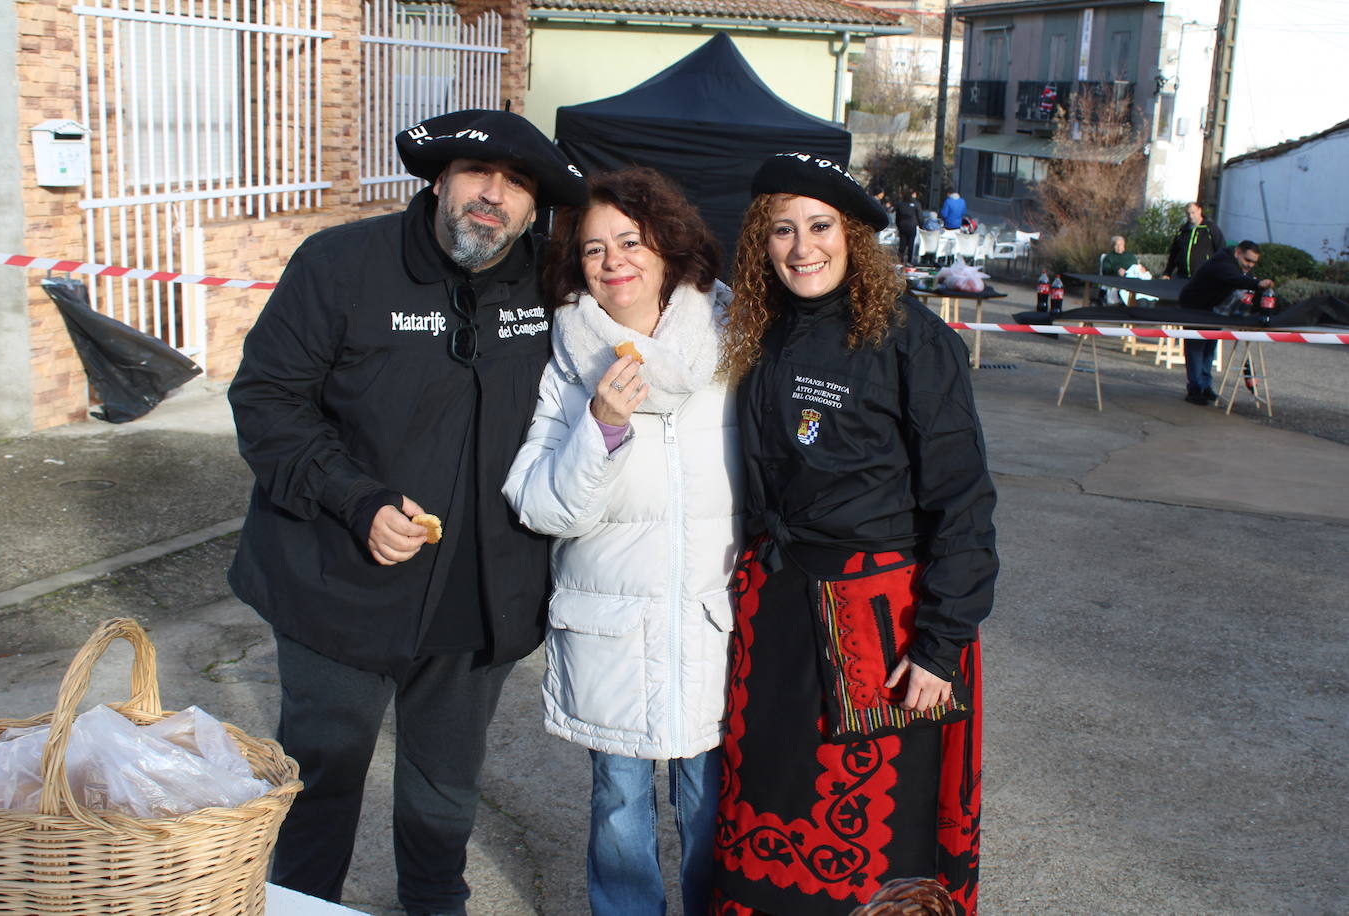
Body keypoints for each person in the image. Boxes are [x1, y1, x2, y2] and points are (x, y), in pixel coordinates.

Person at [226, 109, 587, 916]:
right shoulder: (340, 264)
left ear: (535, 206)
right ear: (440, 180)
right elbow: (267, 401)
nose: (493, 195)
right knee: (321, 777)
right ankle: (303, 906)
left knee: (445, 785)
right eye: (476, 174)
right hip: (338, 582)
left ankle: (434, 903)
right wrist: (356, 500)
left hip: (482, 591)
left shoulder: (554, 282)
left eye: (517, 184)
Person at [712, 152, 998, 915]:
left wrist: (939, 644)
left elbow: (963, 501)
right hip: (775, 619)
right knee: (768, 814)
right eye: (782, 229)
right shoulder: (759, 330)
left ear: (854, 237)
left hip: (881, 628)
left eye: (820, 226)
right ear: (761, 240)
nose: (802, 247)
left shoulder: (913, 340)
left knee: (875, 848)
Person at [502, 167, 742, 915]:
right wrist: (600, 427)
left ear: (668, 246)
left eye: (631, 241)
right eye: (593, 249)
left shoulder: (735, 342)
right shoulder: (570, 363)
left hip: (713, 626)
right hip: (611, 633)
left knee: (713, 807)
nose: (614, 263)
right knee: (617, 809)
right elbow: (539, 504)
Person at [1177, 240, 1274, 405]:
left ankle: (1205, 386)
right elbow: (1236, 280)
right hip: (1194, 307)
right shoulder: (1223, 263)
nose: (1250, 265)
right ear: (1237, 253)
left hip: (1213, 309)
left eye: (1253, 262)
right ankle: (1195, 389)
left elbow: (1243, 283)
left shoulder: (1238, 266)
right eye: (1247, 260)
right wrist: (1258, 284)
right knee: (1196, 348)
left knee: (1209, 348)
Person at [1162, 201, 1226, 280]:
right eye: (1188, 213)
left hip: (1204, 276)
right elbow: (1174, 253)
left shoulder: (1210, 228)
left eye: (1193, 213)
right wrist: (1167, 272)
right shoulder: (1182, 231)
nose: (1191, 216)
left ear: (1199, 210)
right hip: (1182, 276)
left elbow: (1221, 250)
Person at [1097, 234, 1138, 305]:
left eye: (1121, 244)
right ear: (1113, 246)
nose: (1119, 247)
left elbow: (1136, 268)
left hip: (1129, 281)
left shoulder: (1130, 256)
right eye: (1117, 245)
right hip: (1115, 280)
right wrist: (1117, 270)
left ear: (1124, 245)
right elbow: (1105, 270)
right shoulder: (1109, 257)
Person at [891, 189, 923, 265]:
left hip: (902, 225)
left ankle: (900, 260)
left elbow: (897, 216)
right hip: (912, 226)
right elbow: (919, 216)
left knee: (902, 243)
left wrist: (898, 225)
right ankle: (909, 261)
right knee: (911, 244)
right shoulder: (916, 204)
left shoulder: (900, 204)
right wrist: (921, 225)